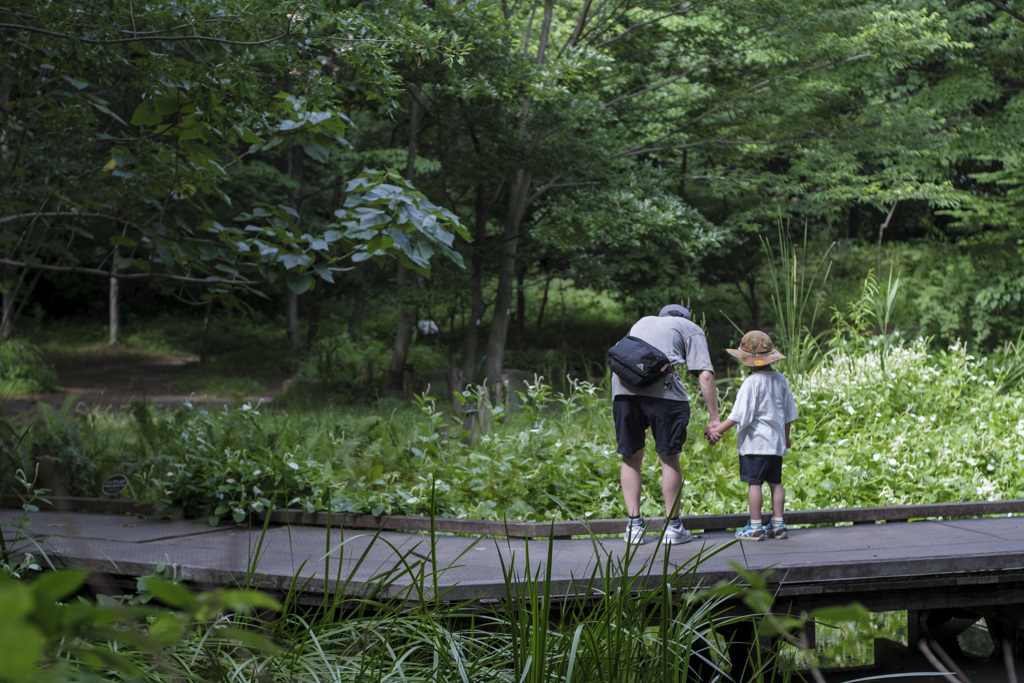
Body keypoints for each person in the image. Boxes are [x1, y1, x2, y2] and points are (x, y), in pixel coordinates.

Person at [612, 303, 721, 545]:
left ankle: (634, 528)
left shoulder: (642, 322)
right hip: (664, 397)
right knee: (668, 457)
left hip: (622, 392)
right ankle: (673, 528)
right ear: (686, 318)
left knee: (630, 456)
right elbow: (705, 375)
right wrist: (714, 418)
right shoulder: (690, 327)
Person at [706, 330, 798, 541]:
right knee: (776, 483)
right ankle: (778, 524)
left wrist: (717, 430)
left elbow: (738, 415)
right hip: (775, 444)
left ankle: (755, 526)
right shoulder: (780, 380)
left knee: (754, 483)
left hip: (755, 444)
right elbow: (788, 413)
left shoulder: (751, 383)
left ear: (748, 360)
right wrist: (786, 437)